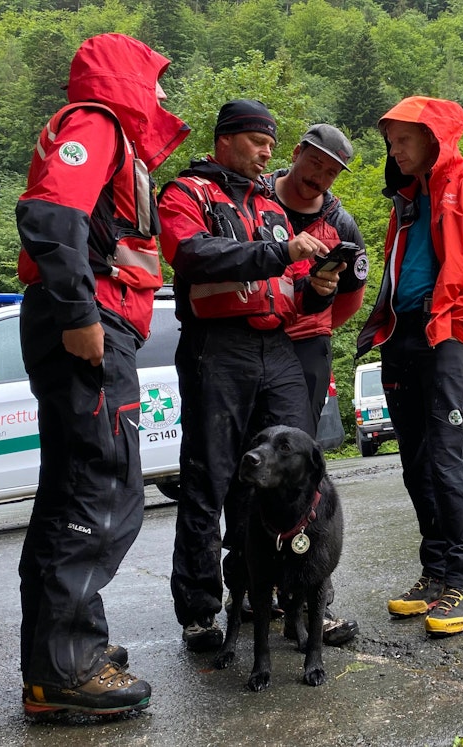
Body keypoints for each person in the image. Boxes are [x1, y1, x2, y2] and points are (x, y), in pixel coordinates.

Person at [15, 33, 189, 717]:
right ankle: (67, 668)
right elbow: (51, 214)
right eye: (156, 80)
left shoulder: (112, 138)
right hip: (90, 331)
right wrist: (82, 314)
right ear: (126, 81)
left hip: (93, 326)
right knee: (100, 494)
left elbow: (84, 224)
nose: (164, 95)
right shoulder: (97, 123)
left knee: (74, 493)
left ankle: (60, 656)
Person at [157, 99, 340, 653]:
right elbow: (192, 255)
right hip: (219, 349)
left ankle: (304, 601)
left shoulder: (268, 203)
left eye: (270, 143)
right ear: (227, 140)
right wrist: (278, 251)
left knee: (294, 472)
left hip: (277, 347)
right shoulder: (185, 193)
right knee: (210, 479)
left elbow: (294, 280)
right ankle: (200, 611)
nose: (268, 155)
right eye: (260, 142)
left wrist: (318, 285)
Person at [356, 96, 463, 636]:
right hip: (401, 336)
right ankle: (435, 573)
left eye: (403, 139)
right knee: (414, 459)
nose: (394, 150)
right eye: (391, 142)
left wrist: (455, 327)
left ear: (433, 136)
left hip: (447, 336)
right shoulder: (404, 202)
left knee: (448, 456)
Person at [267, 123, 368, 646]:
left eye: (331, 172)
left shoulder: (339, 220)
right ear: (297, 154)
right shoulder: (258, 196)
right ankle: (248, 591)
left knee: (301, 469)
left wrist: (317, 323)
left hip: (306, 346)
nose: (321, 178)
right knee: (249, 466)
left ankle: (310, 603)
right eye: (317, 164)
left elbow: (352, 292)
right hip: (249, 340)